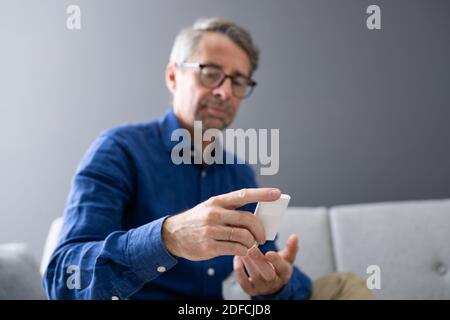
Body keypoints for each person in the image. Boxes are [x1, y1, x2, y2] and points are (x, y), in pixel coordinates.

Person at [43, 17, 372, 300]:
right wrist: (168, 238)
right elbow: (63, 276)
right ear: (173, 77)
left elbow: (266, 259)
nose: (225, 92)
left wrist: (279, 282)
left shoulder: (237, 173)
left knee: (345, 285)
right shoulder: (119, 149)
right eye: (210, 73)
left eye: (238, 81)